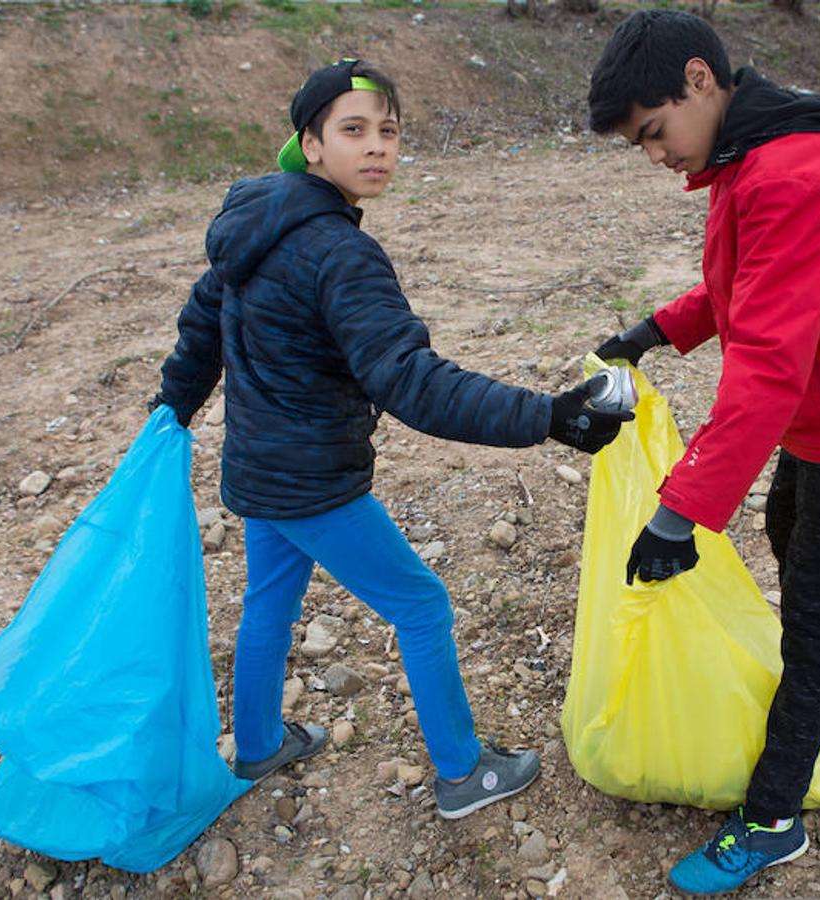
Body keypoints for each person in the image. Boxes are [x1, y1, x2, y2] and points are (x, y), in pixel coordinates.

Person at [151, 59, 632, 819]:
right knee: (421, 605)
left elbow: (198, 335)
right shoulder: (339, 252)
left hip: (257, 472)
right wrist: (545, 415)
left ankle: (257, 745)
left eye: (389, 131)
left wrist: (167, 416)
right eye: (353, 130)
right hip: (311, 482)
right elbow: (408, 378)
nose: (376, 147)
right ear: (309, 144)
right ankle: (461, 771)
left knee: (269, 604)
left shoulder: (252, 224)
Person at [587, 11, 820, 895]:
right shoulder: (748, 156)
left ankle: (772, 816)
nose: (655, 156)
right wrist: (654, 331)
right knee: (795, 546)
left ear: (699, 82)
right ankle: (802, 693)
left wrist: (679, 512)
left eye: (653, 132)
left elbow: (767, 371)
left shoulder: (789, 172)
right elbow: (738, 286)